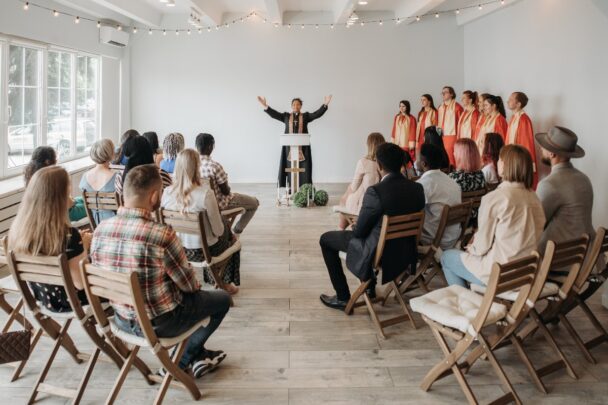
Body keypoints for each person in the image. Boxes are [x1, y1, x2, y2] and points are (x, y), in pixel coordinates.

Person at [91, 164, 230, 377]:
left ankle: (199, 356)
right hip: (161, 323)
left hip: (120, 319)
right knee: (222, 300)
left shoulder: (100, 231)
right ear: (155, 196)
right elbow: (190, 286)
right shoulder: (161, 235)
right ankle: (180, 361)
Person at [319, 143, 425, 310]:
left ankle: (343, 297)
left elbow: (360, 232)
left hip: (380, 252)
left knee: (326, 239)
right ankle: (369, 287)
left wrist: (355, 225)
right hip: (405, 251)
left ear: (379, 166)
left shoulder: (376, 191)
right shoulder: (417, 188)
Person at [441, 145, 545, 287]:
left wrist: (470, 247)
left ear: (505, 165)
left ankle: (466, 302)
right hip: (527, 272)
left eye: (500, 160)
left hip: (500, 273)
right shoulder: (535, 198)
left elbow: (481, 247)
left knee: (447, 257)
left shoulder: (495, 198)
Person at [9, 166, 88, 312]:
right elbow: (81, 283)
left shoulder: (19, 230)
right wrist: (85, 247)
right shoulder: (68, 235)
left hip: (42, 296)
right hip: (69, 300)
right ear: (60, 197)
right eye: (68, 190)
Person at [162, 149, 241, 295]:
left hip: (178, 250)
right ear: (196, 167)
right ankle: (222, 283)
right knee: (232, 239)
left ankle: (213, 278)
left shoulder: (166, 193)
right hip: (203, 252)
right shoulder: (205, 193)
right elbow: (218, 231)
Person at [535, 126, 596, 252]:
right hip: (587, 256)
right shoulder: (584, 179)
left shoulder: (548, 184)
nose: (540, 148)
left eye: (543, 146)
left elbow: (536, 225)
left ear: (552, 153)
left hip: (561, 261)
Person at [258, 95, 332, 187]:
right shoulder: (286, 116)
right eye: (293, 105)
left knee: (303, 168)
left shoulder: (306, 116)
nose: (295, 106)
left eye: (297, 104)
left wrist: (325, 104)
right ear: (291, 106)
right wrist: (265, 106)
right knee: (290, 168)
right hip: (289, 148)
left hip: (303, 148)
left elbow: (316, 114)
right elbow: (275, 114)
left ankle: (304, 189)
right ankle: (291, 188)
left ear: (301, 106)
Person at [196, 133, 259, 235]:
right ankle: (236, 232)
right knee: (255, 203)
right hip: (220, 205)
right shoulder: (215, 166)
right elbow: (226, 192)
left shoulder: (192, 165)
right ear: (210, 146)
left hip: (201, 205)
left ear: (197, 147)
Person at [416, 144, 462, 249]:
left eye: (417, 159)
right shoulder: (453, 183)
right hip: (453, 238)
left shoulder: (422, 185)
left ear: (423, 164)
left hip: (436, 240)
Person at [24, 146, 87, 222]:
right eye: (56, 159)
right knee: (90, 204)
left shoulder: (31, 176)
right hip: (62, 213)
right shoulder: (52, 176)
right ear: (48, 161)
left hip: (42, 214)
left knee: (81, 199)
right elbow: (68, 204)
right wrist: (73, 202)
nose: (57, 161)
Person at [336, 133, 385, 230]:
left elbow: (354, 187)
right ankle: (346, 228)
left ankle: (341, 230)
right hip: (379, 203)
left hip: (364, 205)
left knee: (344, 200)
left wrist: (345, 195)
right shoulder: (385, 164)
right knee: (348, 199)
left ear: (369, 145)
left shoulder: (363, 162)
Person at [79, 139, 118, 226]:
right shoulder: (117, 177)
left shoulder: (84, 177)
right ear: (111, 154)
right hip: (115, 225)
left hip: (96, 225)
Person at [449, 139, 486, 222]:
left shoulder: (453, 177)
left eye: (455, 151)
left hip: (460, 220)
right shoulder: (481, 175)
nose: (453, 153)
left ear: (460, 156)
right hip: (478, 218)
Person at [507, 92, 538, 188]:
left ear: (518, 104)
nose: (508, 101)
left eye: (511, 99)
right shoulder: (513, 118)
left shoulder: (524, 119)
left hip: (518, 161)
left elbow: (526, 144)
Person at [437, 86, 464, 166]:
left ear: (451, 94)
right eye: (442, 93)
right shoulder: (440, 107)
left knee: (452, 157)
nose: (443, 94)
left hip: (452, 135)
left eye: (445, 92)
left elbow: (460, 123)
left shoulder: (457, 107)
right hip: (441, 135)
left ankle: (454, 172)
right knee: (444, 157)